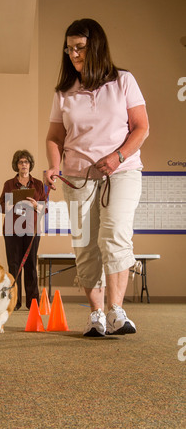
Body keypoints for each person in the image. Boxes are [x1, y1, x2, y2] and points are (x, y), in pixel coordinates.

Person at [44, 18, 149, 336]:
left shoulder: (123, 81)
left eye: (80, 47)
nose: (74, 53)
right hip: (78, 177)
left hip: (122, 171)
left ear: (96, 47)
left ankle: (117, 311)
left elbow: (141, 127)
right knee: (86, 245)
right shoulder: (64, 92)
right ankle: (96, 314)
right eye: (70, 48)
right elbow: (54, 137)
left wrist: (117, 157)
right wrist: (53, 166)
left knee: (115, 232)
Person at [0, 150, 46, 311]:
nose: (24, 165)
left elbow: (44, 209)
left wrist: (35, 205)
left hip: (32, 230)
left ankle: (33, 303)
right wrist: (11, 204)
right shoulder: (9, 184)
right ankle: (15, 302)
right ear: (16, 165)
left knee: (31, 266)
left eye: (26, 162)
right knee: (14, 266)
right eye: (20, 162)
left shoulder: (38, 184)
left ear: (30, 165)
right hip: (12, 230)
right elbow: (1, 207)